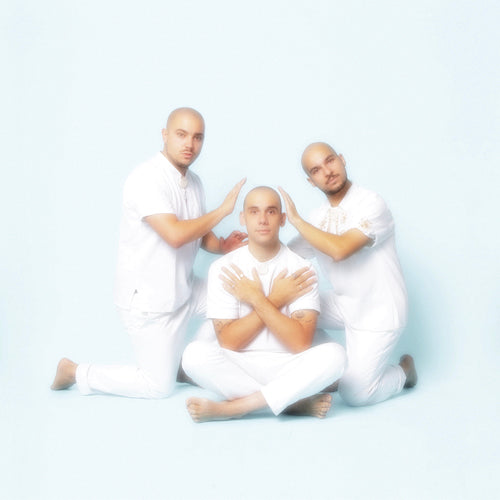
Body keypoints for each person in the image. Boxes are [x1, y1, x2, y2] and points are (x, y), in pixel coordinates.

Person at [51, 107, 247, 399]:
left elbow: (198, 229)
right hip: (149, 302)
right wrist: (223, 211)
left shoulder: (194, 181)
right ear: (165, 135)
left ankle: (189, 364)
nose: (190, 144)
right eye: (181, 134)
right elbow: (176, 235)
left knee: (238, 299)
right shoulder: (145, 178)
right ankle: (76, 372)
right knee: (157, 387)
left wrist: (222, 246)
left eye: (197, 137)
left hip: (185, 290)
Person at [182, 186, 346, 423]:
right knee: (193, 356)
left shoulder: (302, 268)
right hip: (239, 364)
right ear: (243, 218)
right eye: (254, 211)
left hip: (288, 364)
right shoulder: (223, 269)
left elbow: (300, 343)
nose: (262, 220)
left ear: (282, 219)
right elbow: (229, 342)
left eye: (271, 211)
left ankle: (239, 407)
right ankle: (290, 403)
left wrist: (257, 299)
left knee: (336, 356)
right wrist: (276, 299)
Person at [278, 142, 417, 407]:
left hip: (380, 311)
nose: (327, 171)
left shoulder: (371, 203)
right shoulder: (317, 217)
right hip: (344, 304)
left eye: (330, 160)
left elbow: (340, 249)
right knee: (281, 308)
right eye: (316, 170)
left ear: (342, 159)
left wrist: (296, 220)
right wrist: (247, 248)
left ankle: (404, 372)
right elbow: (285, 256)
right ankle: (331, 365)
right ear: (310, 181)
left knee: (354, 394)